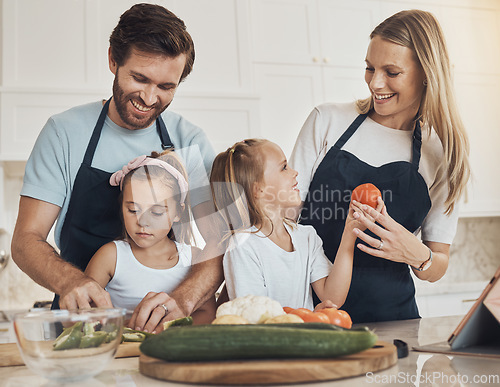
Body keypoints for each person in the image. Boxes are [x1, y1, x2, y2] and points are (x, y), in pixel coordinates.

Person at [11, 3, 221, 330]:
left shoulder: (190, 141)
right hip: (81, 321)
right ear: (113, 60)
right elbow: (26, 240)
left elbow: (218, 245)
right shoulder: (64, 132)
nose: (150, 98)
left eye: (166, 87)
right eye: (140, 78)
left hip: (169, 332)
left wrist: (184, 299)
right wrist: (71, 282)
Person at [289, 10, 471, 323]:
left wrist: (417, 253)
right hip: (312, 314)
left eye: (392, 72)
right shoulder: (327, 121)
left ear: (426, 73)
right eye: (370, 68)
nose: (375, 82)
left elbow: (438, 263)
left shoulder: (442, 154)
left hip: (394, 321)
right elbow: (283, 224)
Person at [210, 139, 367, 309]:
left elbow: (332, 298)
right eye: (284, 167)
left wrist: (350, 235)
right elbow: (255, 319)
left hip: (301, 334)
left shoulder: (307, 237)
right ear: (259, 189)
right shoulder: (243, 246)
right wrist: (308, 320)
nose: (295, 172)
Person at [85, 151, 216, 326]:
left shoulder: (194, 258)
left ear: (178, 212)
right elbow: (82, 312)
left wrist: (168, 332)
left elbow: (207, 314)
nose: (143, 222)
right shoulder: (110, 256)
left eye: (156, 212)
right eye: (133, 210)